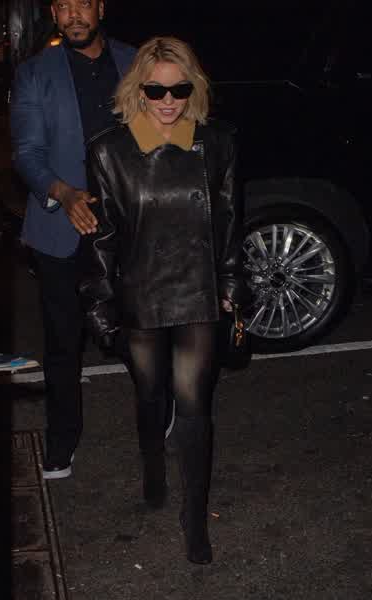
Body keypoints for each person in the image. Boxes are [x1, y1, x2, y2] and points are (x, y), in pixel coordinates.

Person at [79, 36, 245, 564]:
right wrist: (100, 303)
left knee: (195, 405)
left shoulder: (217, 143)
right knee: (151, 396)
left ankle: (194, 518)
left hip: (197, 291)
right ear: (138, 89)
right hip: (142, 293)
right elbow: (103, 236)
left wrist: (231, 287)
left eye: (179, 89)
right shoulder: (110, 150)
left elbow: (229, 222)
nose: (168, 101)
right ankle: (153, 463)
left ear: (194, 88)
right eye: (155, 90)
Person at [10, 0, 136, 479]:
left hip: (128, 223)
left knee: (140, 328)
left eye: (82, 3)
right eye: (63, 6)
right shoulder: (35, 73)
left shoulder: (134, 61)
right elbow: (27, 152)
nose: (73, 15)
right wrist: (63, 194)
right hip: (62, 225)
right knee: (63, 343)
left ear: (100, 7)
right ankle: (62, 440)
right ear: (54, 12)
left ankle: (160, 405)